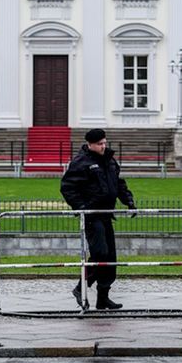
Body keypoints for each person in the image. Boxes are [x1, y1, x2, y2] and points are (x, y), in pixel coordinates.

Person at [59, 128, 137, 311]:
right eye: (100, 144)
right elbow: (67, 188)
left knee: (110, 258)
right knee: (100, 253)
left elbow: (118, 183)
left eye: (104, 143)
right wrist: (82, 208)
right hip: (92, 216)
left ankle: (103, 298)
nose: (103, 146)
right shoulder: (81, 162)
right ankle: (81, 287)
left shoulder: (109, 160)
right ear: (90, 145)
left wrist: (129, 201)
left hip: (106, 214)